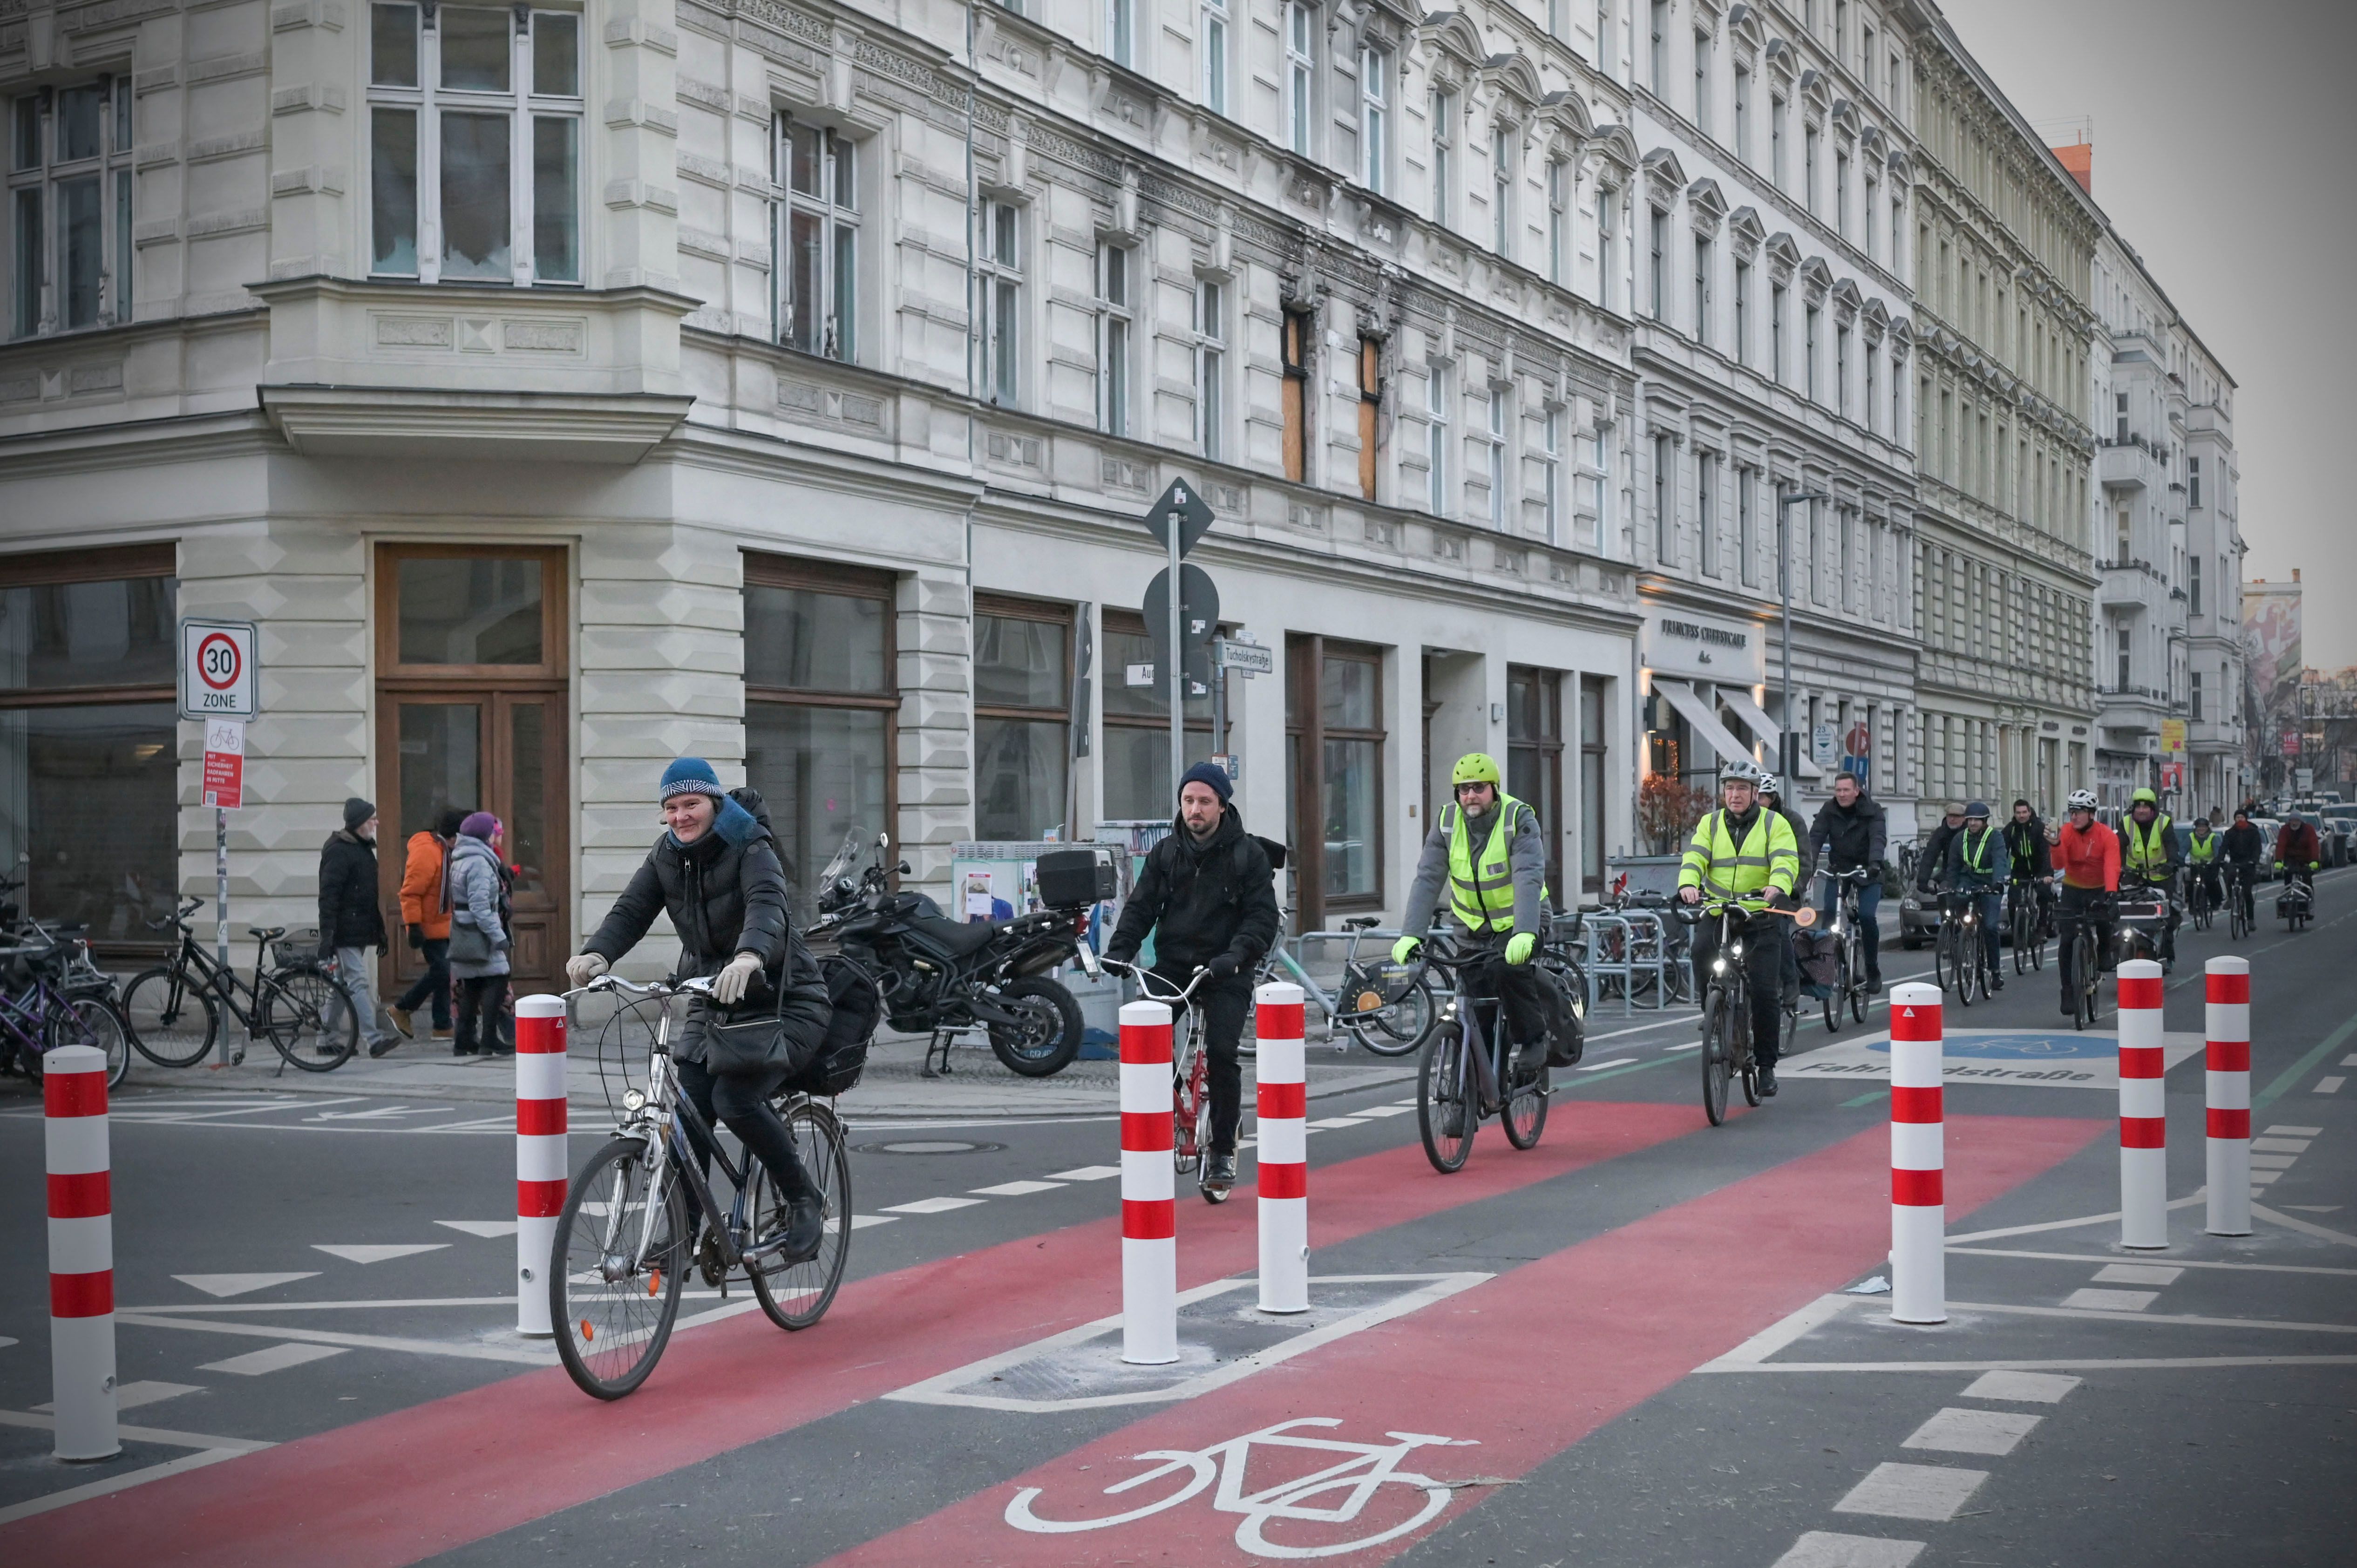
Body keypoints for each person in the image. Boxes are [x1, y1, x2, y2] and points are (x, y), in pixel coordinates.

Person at [566, 759, 831, 1262]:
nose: (681, 816)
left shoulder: (750, 845)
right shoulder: (667, 854)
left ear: (714, 803)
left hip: (784, 999)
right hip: (714, 999)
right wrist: (599, 953)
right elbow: (632, 910)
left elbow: (767, 905)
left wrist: (751, 955)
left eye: (691, 804)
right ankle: (685, 1231)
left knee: (735, 1099)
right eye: (671, 807)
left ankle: (804, 1199)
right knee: (686, 1111)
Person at [1106, 761, 1281, 1200]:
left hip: (1228, 969)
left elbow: (1261, 919)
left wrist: (1235, 956)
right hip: (1175, 965)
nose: (1195, 809)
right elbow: (1141, 907)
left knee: (1222, 1052)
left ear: (1222, 805)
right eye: (1188, 800)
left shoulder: (1248, 856)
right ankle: (1171, 1105)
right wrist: (1120, 949)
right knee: (1143, 1039)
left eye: (1204, 801)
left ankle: (1222, 1146)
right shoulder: (1166, 853)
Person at [1397, 752, 1566, 1090]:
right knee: (1475, 1011)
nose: (1470, 796)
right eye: (1462, 789)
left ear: (1494, 788)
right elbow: (1428, 877)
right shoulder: (1447, 821)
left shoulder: (1517, 818)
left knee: (1507, 970)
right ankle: (1473, 1092)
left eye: (1478, 788)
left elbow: (1528, 876)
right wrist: (1410, 934)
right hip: (1471, 929)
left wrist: (1525, 931)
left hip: (1519, 922)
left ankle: (1533, 1040)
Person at [1675, 759, 1800, 1097]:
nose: (1734, 795)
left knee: (1763, 990)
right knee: (1701, 950)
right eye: (1729, 788)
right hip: (1719, 909)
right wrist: (1688, 884)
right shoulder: (1710, 823)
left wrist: (1778, 885)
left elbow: (1786, 860)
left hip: (1760, 914)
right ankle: (1713, 1013)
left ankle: (1766, 1067)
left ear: (1755, 793)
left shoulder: (1774, 823)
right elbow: (1695, 856)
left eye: (1742, 789)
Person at [317, 797, 401, 1057]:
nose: (376, 823)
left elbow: (366, 897)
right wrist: (328, 935)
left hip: (356, 928)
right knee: (358, 982)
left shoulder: (361, 848)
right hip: (344, 930)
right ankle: (373, 1040)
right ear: (359, 824)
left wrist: (380, 931)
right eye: (371, 819)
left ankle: (326, 1039)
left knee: (342, 984)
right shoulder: (339, 850)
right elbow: (328, 896)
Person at [389, 808, 465, 1045]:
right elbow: (410, 893)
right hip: (428, 926)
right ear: (455, 835)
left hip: (446, 924)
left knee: (445, 974)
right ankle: (402, 1009)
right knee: (441, 970)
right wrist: (413, 925)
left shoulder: (446, 851)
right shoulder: (427, 852)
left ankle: (442, 1026)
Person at [1808, 770, 1888, 989]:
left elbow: (1878, 838)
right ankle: (1825, 969)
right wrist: (1810, 864)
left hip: (1867, 870)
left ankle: (1872, 968)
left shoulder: (1873, 811)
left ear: (1857, 791)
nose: (1842, 794)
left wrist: (1875, 863)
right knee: (1828, 918)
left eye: (1846, 790)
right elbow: (1816, 837)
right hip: (1839, 869)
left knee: (1866, 916)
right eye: (1838, 790)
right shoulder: (1829, 810)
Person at [445, 814, 514, 1059]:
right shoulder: (479, 863)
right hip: (480, 934)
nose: (497, 836)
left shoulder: (462, 858)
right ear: (485, 835)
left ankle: (463, 1040)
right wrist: (499, 936)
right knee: (498, 978)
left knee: (473, 985)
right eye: (494, 832)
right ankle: (488, 1040)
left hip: (464, 931)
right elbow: (480, 907)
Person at [2051, 788, 2120, 1016]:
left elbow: (2111, 865)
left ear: (2091, 814)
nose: (2073, 817)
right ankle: (2068, 991)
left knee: (2105, 923)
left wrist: (2111, 893)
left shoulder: (2107, 835)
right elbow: (2059, 864)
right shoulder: (2066, 832)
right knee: (2067, 940)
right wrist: (2055, 845)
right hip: (2073, 889)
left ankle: (2103, 954)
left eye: (2079, 812)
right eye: (2071, 812)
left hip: (2099, 888)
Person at [1759, 774, 1815, 1003]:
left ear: (1773, 798)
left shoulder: (1792, 821)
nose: (1755, 802)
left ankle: (1790, 978)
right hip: (1752, 894)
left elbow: (1803, 860)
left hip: (1785, 892)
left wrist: (1794, 888)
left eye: (1761, 797)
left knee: (1778, 930)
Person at [1944, 801, 2008, 991]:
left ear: (1985, 821)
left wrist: (1998, 883)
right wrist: (1951, 887)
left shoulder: (1995, 837)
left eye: (1977, 820)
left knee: (1989, 926)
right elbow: (1953, 866)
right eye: (1970, 819)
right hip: (1969, 879)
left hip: (1990, 881)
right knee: (1959, 901)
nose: (1972, 823)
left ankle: (1996, 971)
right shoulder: (1960, 839)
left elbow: (2000, 860)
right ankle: (1963, 940)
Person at [2119, 787, 2182, 967]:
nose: (2141, 810)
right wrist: (2118, 868)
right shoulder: (2125, 823)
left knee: (2164, 914)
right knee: (2123, 910)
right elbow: (2119, 848)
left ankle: (2168, 954)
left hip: (2161, 875)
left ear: (2153, 809)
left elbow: (2172, 846)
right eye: (2138, 807)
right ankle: (2119, 948)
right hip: (2133, 875)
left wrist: (2170, 864)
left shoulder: (2164, 823)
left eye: (2145, 807)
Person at [2002, 799, 2054, 938]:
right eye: (2018, 813)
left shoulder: (2040, 828)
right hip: (2020, 868)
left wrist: (2047, 874)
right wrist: (2000, 874)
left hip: (2040, 866)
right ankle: (2017, 934)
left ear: (2029, 812)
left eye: (2024, 812)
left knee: (2044, 892)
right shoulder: (2011, 829)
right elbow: (2002, 851)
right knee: (2012, 900)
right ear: (2015, 814)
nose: (2022, 816)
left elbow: (2046, 853)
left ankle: (2043, 926)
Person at [2221, 807, 2266, 922]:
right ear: (2235, 819)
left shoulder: (2253, 832)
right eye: (2237, 817)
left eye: (2242, 817)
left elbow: (2257, 848)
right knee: (2229, 876)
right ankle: (2231, 898)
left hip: (2248, 864)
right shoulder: (2230, 833)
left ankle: (2250, 920)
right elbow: (2224, 848)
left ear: (2246, 818)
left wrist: (2254, 860)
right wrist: (2220, 860)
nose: (2240, 819)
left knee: (2247, 892)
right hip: (2235, 862)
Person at [2273, 814, 2322, 909]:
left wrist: (2315, 860)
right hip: (2290, 858)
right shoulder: (2285, 830)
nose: (2294, 823)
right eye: (2292, 821)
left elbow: (2314, 845)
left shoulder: (2309, 829)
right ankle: (2287, 900)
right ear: (2289, 821)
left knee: (2307, 879)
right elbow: (2281, 845)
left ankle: (2309, 902)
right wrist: (2279, 860)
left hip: (2305, 858)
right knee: (2288, 876)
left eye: (2297, 821)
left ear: (2301, 821)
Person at [2185, 817, 2224, 921]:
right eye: (2199, 827)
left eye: (2204, 827)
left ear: (2207, 828)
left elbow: (2217, 850)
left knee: (2211, 882)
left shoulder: (2213, 837)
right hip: (2196, 865)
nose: (2201, 829)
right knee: (2190, 884)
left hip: (2210, 866)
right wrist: (2180, 859)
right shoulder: (2191, 837)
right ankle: (2192, 906)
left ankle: (2215, 902)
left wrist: (2216, 860)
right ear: (2196, 828)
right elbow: (2184, 849)